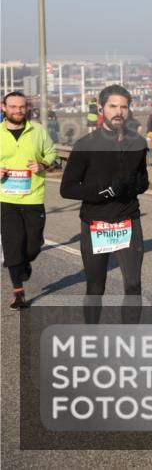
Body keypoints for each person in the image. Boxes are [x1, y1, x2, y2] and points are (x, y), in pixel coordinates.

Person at [59, 84, 149, 304]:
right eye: (113, 106)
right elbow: (67, 188)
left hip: (128, 221)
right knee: (96, 288)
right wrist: (103, 192)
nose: (119, 111)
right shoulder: (85, 145)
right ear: (101, 109)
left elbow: (143, 181)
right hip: (95, 224)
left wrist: (130, 186)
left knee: (133, 285)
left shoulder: (138, 143)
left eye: (124, 107)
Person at [1, 92, 57, 310]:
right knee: (13, 244)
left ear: (27, 108)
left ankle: (25, 263)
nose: (18, 111)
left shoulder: (38, 131)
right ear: (3, 107)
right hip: (6, 199)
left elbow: (51, 153)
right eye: (13, 106)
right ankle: (18, 293)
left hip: (34, 198)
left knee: (33, 245)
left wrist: (42, 164)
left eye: (22, 107)